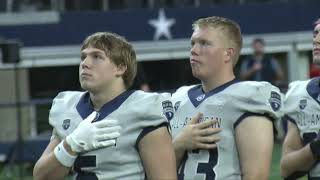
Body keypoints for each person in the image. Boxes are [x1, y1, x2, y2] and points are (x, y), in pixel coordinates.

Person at [33, 32, 177, 180]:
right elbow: (41, 176)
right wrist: (71, 145)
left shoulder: (144, 109)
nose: (85, 63)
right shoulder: (68, 107)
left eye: (97, 57)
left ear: (120, 68)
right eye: (83, 57)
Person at [170, 16, 283, 179]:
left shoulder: (249, 97)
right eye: (193, 43)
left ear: (227, 54)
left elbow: (256, 176)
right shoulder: (179, 98)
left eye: (204, 43)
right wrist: (179, 145)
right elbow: (156, 172)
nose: (194, 50)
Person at [280, 18, 320, 179]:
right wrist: (316, 147)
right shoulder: (301, 93)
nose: (316, 39)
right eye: (316, 33)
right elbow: (286, 170)